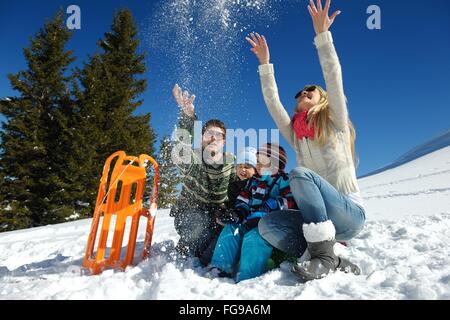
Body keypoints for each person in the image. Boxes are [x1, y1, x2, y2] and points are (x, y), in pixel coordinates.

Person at [246, 0, 365, 281]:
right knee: (268, 225)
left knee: (300, 173)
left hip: (348, 215)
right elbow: (275, 107)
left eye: (309, 90)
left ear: (321, 97)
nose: (302, 93)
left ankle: (323, 257)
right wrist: (265, 65)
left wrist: (322, 36)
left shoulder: (335, 120)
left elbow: (333, 77)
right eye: (298, 93)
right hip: (318, 219)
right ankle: (331, 257)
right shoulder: (297, 134)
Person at [209, 143, 297, 282]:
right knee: (231, 229)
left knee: (254, 237)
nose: (258, 165)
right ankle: (219, 267)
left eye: (262, 161)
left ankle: (247, 276)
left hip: (270, 226)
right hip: (250, 220)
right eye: (257, 162)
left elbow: (290, 200)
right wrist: (237, 213)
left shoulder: (284, 180)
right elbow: (243, 201)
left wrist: (271, 207)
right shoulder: (253, 182)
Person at [170, 84, 237, 266]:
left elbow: (238, 191)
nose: (214, 137)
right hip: (190, 214)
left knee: (225, 236)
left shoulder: (231, 163)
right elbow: (181, 149)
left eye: (219, 135)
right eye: (209, 133)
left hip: (216, 216)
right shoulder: (193, 158)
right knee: (200, 229)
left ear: (224, 142)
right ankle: (184, 259)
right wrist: (188, 117)